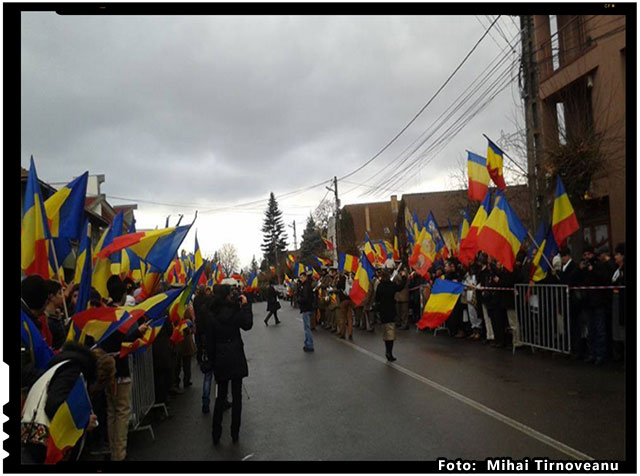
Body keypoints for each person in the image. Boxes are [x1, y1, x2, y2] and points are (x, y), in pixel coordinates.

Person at [21, 342, 113, 464]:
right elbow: (54, 406)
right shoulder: (73, 371)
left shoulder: (65, 367)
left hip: (34, 436)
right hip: (41, 443)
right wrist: (84, 421)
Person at [99, 276, 149, 461]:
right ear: (122, 295)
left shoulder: (103, 314)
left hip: (106, 369)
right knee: (121, 412)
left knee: (112, 411)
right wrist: (139, 331)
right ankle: (119, 454)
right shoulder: (119, 315)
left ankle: (113, 450)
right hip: (119, 368)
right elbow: (123, 338)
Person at [204, 280, 253, 445]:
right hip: (236, 355)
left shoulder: (211, 314)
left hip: (220, 357)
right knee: (237, 396)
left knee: (220, 396)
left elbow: (209, 342)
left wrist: (211, 360)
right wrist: (246, 306)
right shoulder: (234, 311)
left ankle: (216, 434)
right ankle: (235, 432)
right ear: (227, 297)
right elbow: (247, 324)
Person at [375, 268, 407, 361]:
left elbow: (377, 298)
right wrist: (404, 277)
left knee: (386, 331)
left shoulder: (380, 286)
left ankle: (387, 350)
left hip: (383, 311)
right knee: (391, 332)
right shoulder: (391, 285)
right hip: (391, 310)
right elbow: (400, 287)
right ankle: (390, 352)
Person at [611, 243, 625, 363]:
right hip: (616, 302)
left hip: (622, 303)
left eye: (618, 254)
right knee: (618, 331)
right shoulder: (617, 269)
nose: (615, 257)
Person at [43, 280, 67, 351]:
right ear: (52, 296)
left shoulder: (59, 316)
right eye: (60, 293)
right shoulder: (46, 320)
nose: (62, 297)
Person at [297, 270, 315, 351]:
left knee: (307, 328)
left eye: (302, 277)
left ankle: (309, 344)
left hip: (306, 308)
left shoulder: (306, 286)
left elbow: (305, 298)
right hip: (307, 308)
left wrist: (299, 300)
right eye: (300, 278)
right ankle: (307, 342)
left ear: (305, 277)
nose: (301, 279)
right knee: (307, 327)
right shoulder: (305, 285)